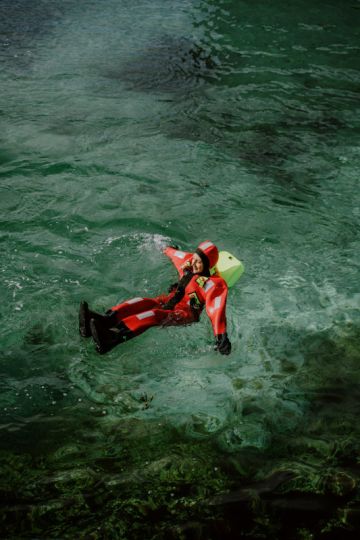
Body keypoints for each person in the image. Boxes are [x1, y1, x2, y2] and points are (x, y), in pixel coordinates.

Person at [79, 240, 231, 355]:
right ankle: (105, 320)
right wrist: (168, 249)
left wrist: (221, 335)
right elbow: (177, 255)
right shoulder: (189, 264)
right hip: (168, 300)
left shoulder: (212, 283)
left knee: (155, 315)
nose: (193, 262)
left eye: (199, 262)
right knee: (142, 302)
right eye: (194, 258)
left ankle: (113, 338)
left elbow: (216, 308)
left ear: (207, 265)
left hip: (185, 313)